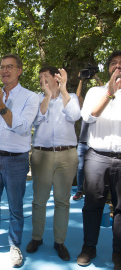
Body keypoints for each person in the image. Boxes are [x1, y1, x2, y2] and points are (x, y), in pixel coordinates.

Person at [0, 54, 39, 268]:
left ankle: (14, 246)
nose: (4, 70)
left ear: (20, 70)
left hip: (16, 161)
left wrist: (0, 104)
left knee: (15, 207)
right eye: (2, 67)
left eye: (9, 67)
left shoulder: (31, 97)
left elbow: (21, 127)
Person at [26, 66, 81, 261]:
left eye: (46, 77)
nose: (42, 80)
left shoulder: (71, 96)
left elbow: (75, 116)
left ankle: (60, 241)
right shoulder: (37, 99)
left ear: (56, 79)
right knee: (39, 200)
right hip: (42, 155)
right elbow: (36, 120)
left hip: (67, 155)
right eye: (40, 77)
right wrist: (48, 97)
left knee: (62, 201)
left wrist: (64, 90)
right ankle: (36, 238)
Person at [77, 50, 121, 270]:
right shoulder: (96, 91)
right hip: (97, 158)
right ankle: (88, 247)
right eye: (114, 63)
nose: (118, 67)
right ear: (108, 68)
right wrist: (110, 94)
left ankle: (118, 253)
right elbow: (88, 117)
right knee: (92, 206)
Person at [73, 74, 104, 201]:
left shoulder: (101, 107)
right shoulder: (83, 108)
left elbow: (107, 91)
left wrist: (96, 77)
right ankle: (80, 190)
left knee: (94, 171)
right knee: (80, 168)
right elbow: (77, 96)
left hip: (94, 144)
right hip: (82, 143)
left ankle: (93, 193)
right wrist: (81, 80)